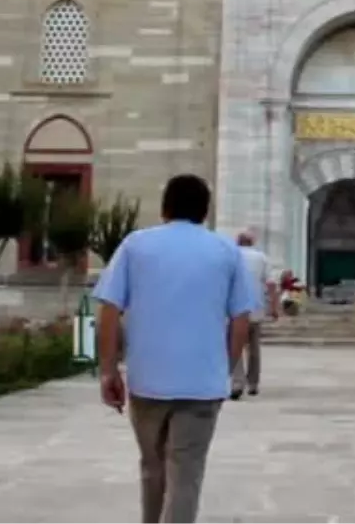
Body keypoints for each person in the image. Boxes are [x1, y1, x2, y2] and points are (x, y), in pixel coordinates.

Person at [93, 174, 257, 524]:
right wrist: (223, 367)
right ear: (205, 211)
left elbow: (108, 310)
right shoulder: (225, 250)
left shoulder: (136, 245)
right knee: (186, 476)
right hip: (201, 386)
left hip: (148, 381)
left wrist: (109, 369)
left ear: (164, 207)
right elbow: (241, 319)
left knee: (152, 469)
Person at [231, 229, 279, 400]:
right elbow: (271, 284)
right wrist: (274, 306)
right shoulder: (261, 258)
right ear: (252, 242)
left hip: (234, 309)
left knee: (234, 345)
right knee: (253, 347)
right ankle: (253, 383)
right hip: (256, 308)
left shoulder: (231, 254)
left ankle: (237, 383)